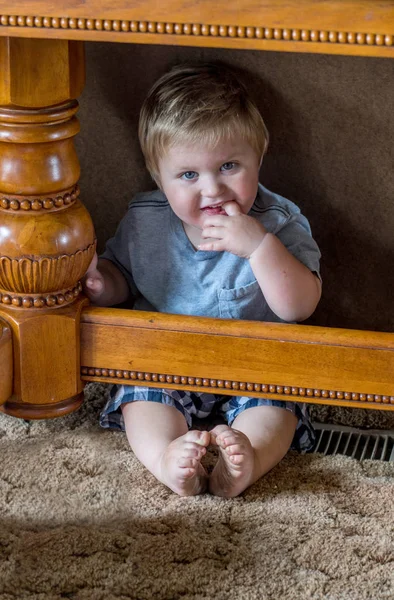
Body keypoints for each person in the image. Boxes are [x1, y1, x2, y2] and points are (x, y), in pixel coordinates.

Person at [83, 62, 322, 498]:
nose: (212, 189)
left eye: (229, 165)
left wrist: (258, 248)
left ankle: (246, 460)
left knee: (276, 408)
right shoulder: (145, 220)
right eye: (189, 175)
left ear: (259, 153)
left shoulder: (279, 222)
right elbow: (126, 275)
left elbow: (300, 306)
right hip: (168, 359)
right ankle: (166, 459)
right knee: (142, 393)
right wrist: (104, 283)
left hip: (257, 364)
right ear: (159, 176)